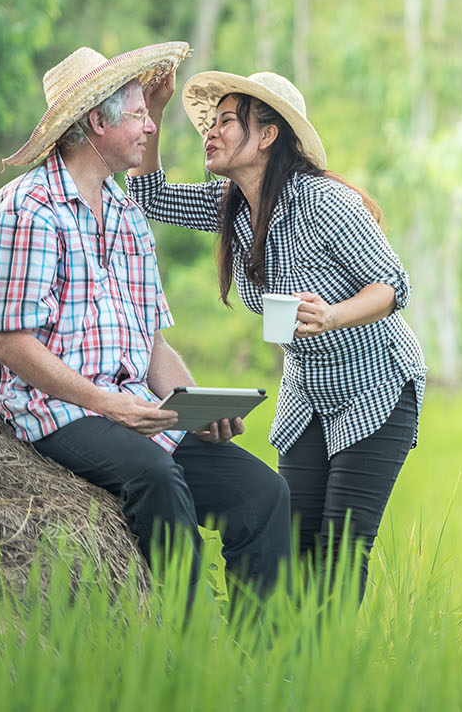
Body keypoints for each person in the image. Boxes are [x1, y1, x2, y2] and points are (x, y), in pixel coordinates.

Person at [0, 43, 291, 604]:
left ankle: (256, 667)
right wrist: (104, 402)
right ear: (98, 122)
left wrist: (195, 405)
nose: (149, 127)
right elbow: (11, 345)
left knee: (262, 492)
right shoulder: (30, 210)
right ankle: (182, 651)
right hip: (50, 406)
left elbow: (152, 342)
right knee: (157, 479)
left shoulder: (124, 214)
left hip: (126, 404)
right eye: (140, 114)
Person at [126, 70, 426, 602]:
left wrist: (332, 315)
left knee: (338, 554)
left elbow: (392, 285)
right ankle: (277, 670)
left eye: (225, 122)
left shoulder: (320, 201)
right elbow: (149, 198)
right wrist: (154, 112)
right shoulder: (234, 205)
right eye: (209, 123)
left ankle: (323, 675)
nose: (209, 134)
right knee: (288, 541)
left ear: (267, 136)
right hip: (307, 392)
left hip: (375, 387)